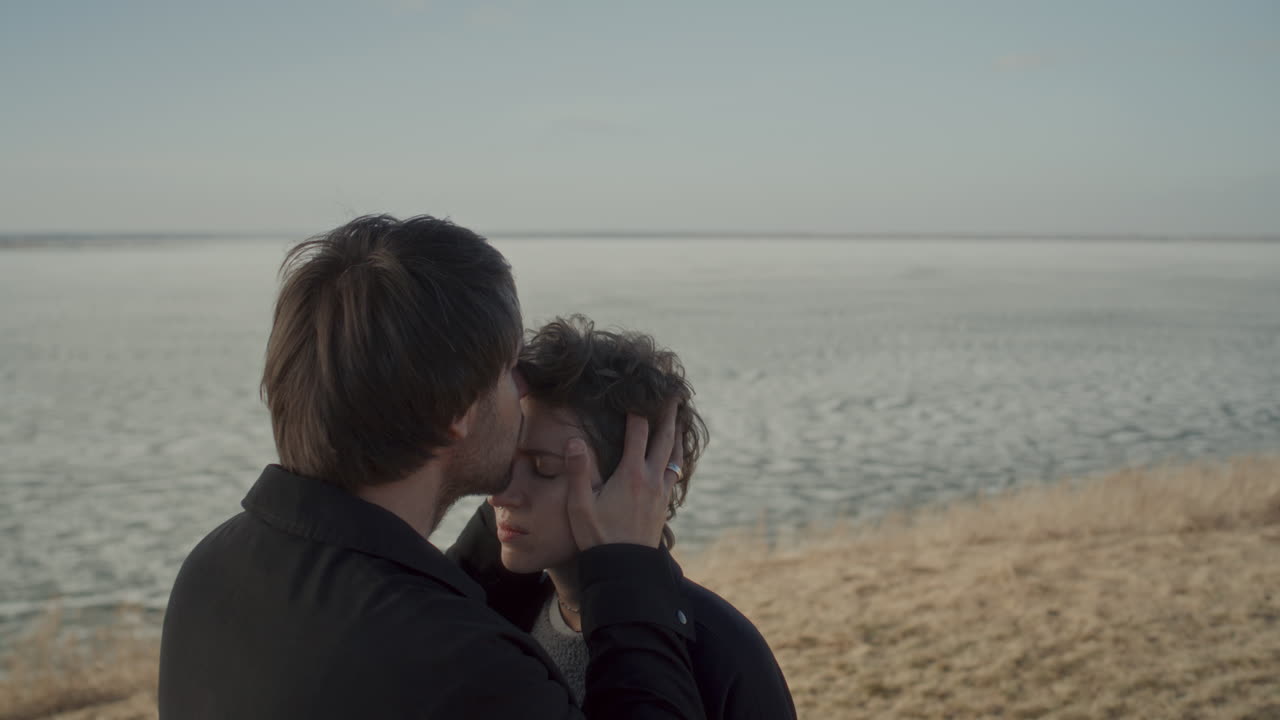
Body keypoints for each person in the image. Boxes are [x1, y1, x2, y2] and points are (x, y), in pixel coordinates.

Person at [157, 215, 705, 719]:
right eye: (509, 370)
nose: (522, 390)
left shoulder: (213, 570)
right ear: (456, 412)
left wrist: (531, 509)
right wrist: (628, 569)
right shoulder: (468, 670)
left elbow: (403, 597)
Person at [447, 316, 796, 719]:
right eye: (505, 459)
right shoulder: (503, 612)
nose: (499, 495)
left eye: (544, 468)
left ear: (632, 487)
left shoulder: (721, 650)